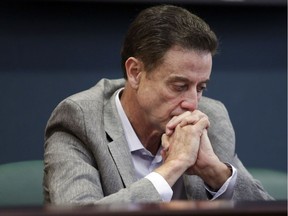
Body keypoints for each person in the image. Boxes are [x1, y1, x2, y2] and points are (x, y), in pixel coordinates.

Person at [43, 4, 273, 205]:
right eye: (179, 86)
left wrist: (215, 172)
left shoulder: (211, 118)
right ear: (135, 73)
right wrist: (173, 167)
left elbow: (269, 211)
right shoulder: (79, 119)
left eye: (201, 87)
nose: (193, 104)